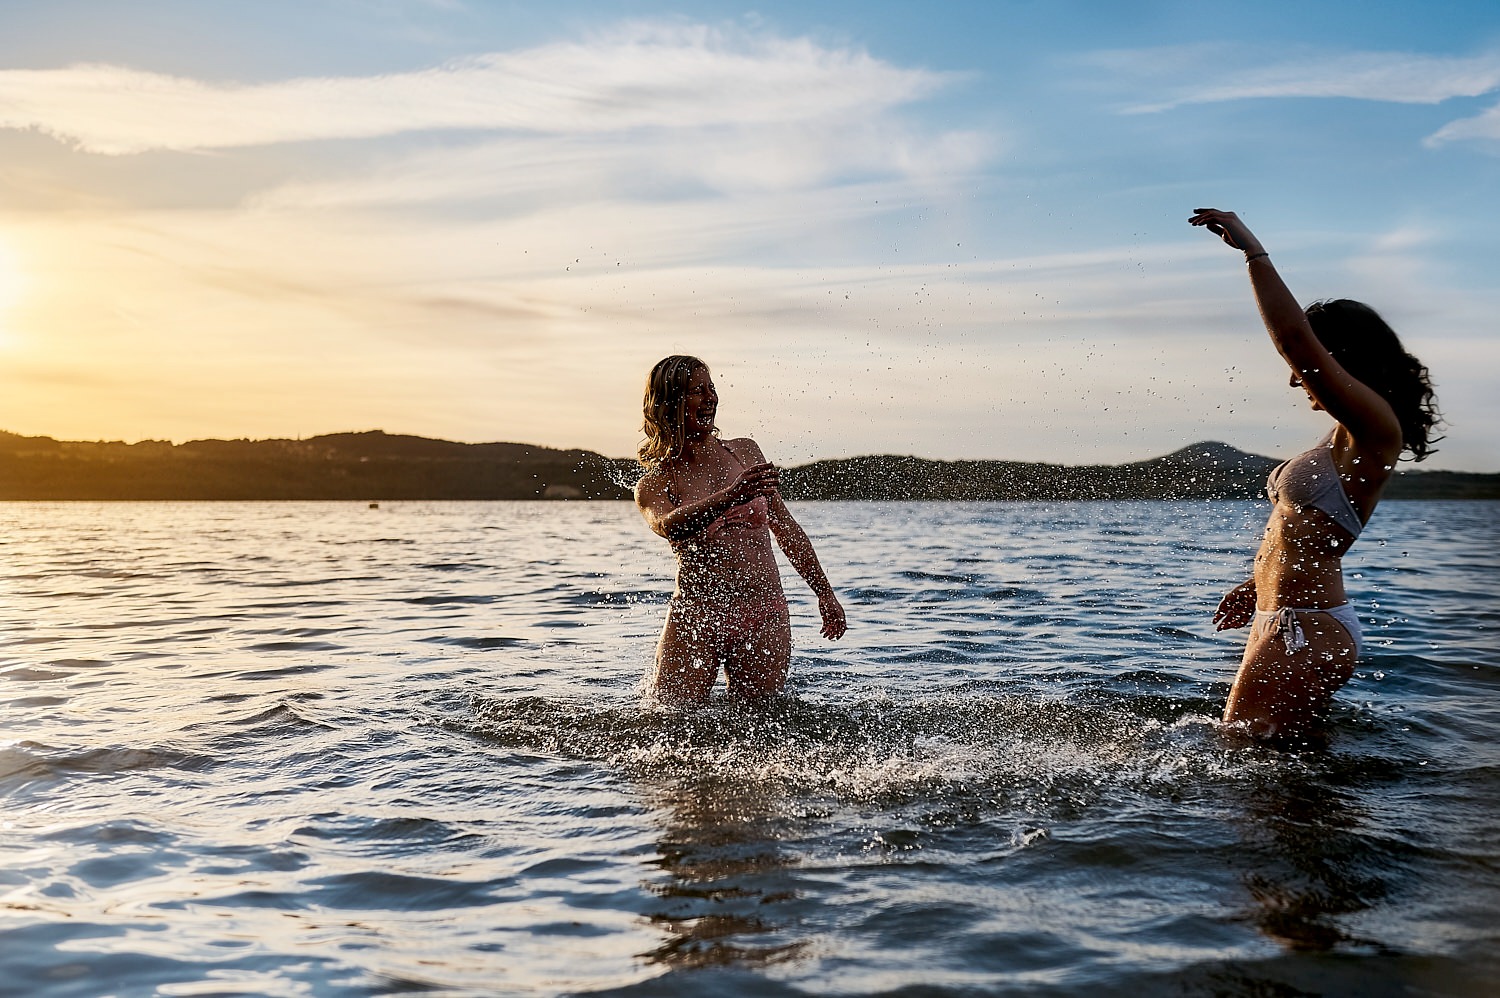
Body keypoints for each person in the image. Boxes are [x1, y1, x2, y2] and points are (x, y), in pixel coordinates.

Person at [1188, 208, 1441, 744]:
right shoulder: (1343, 437)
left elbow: (1293, 340)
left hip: (1304, 626)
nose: (1294, 377)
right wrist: (1256, 584)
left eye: (1310, 362)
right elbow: (1306, 533)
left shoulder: (1376, 431)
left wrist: (1253, 253)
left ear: (1339, 355)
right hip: (1286, 619)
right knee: (1282, 780)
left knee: (1250, 771)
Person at [634, 355, 847, 705]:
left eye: (711, 389)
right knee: (670, 723)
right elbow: (668, 525)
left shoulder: (746, 452)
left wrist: (824, 593)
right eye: (697, 392)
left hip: (764, 612)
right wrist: (728, 497)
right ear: (670, 402)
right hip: (696, 614)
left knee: (761, 723)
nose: (710, 398)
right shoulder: (655, 483)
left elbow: (786, 528)